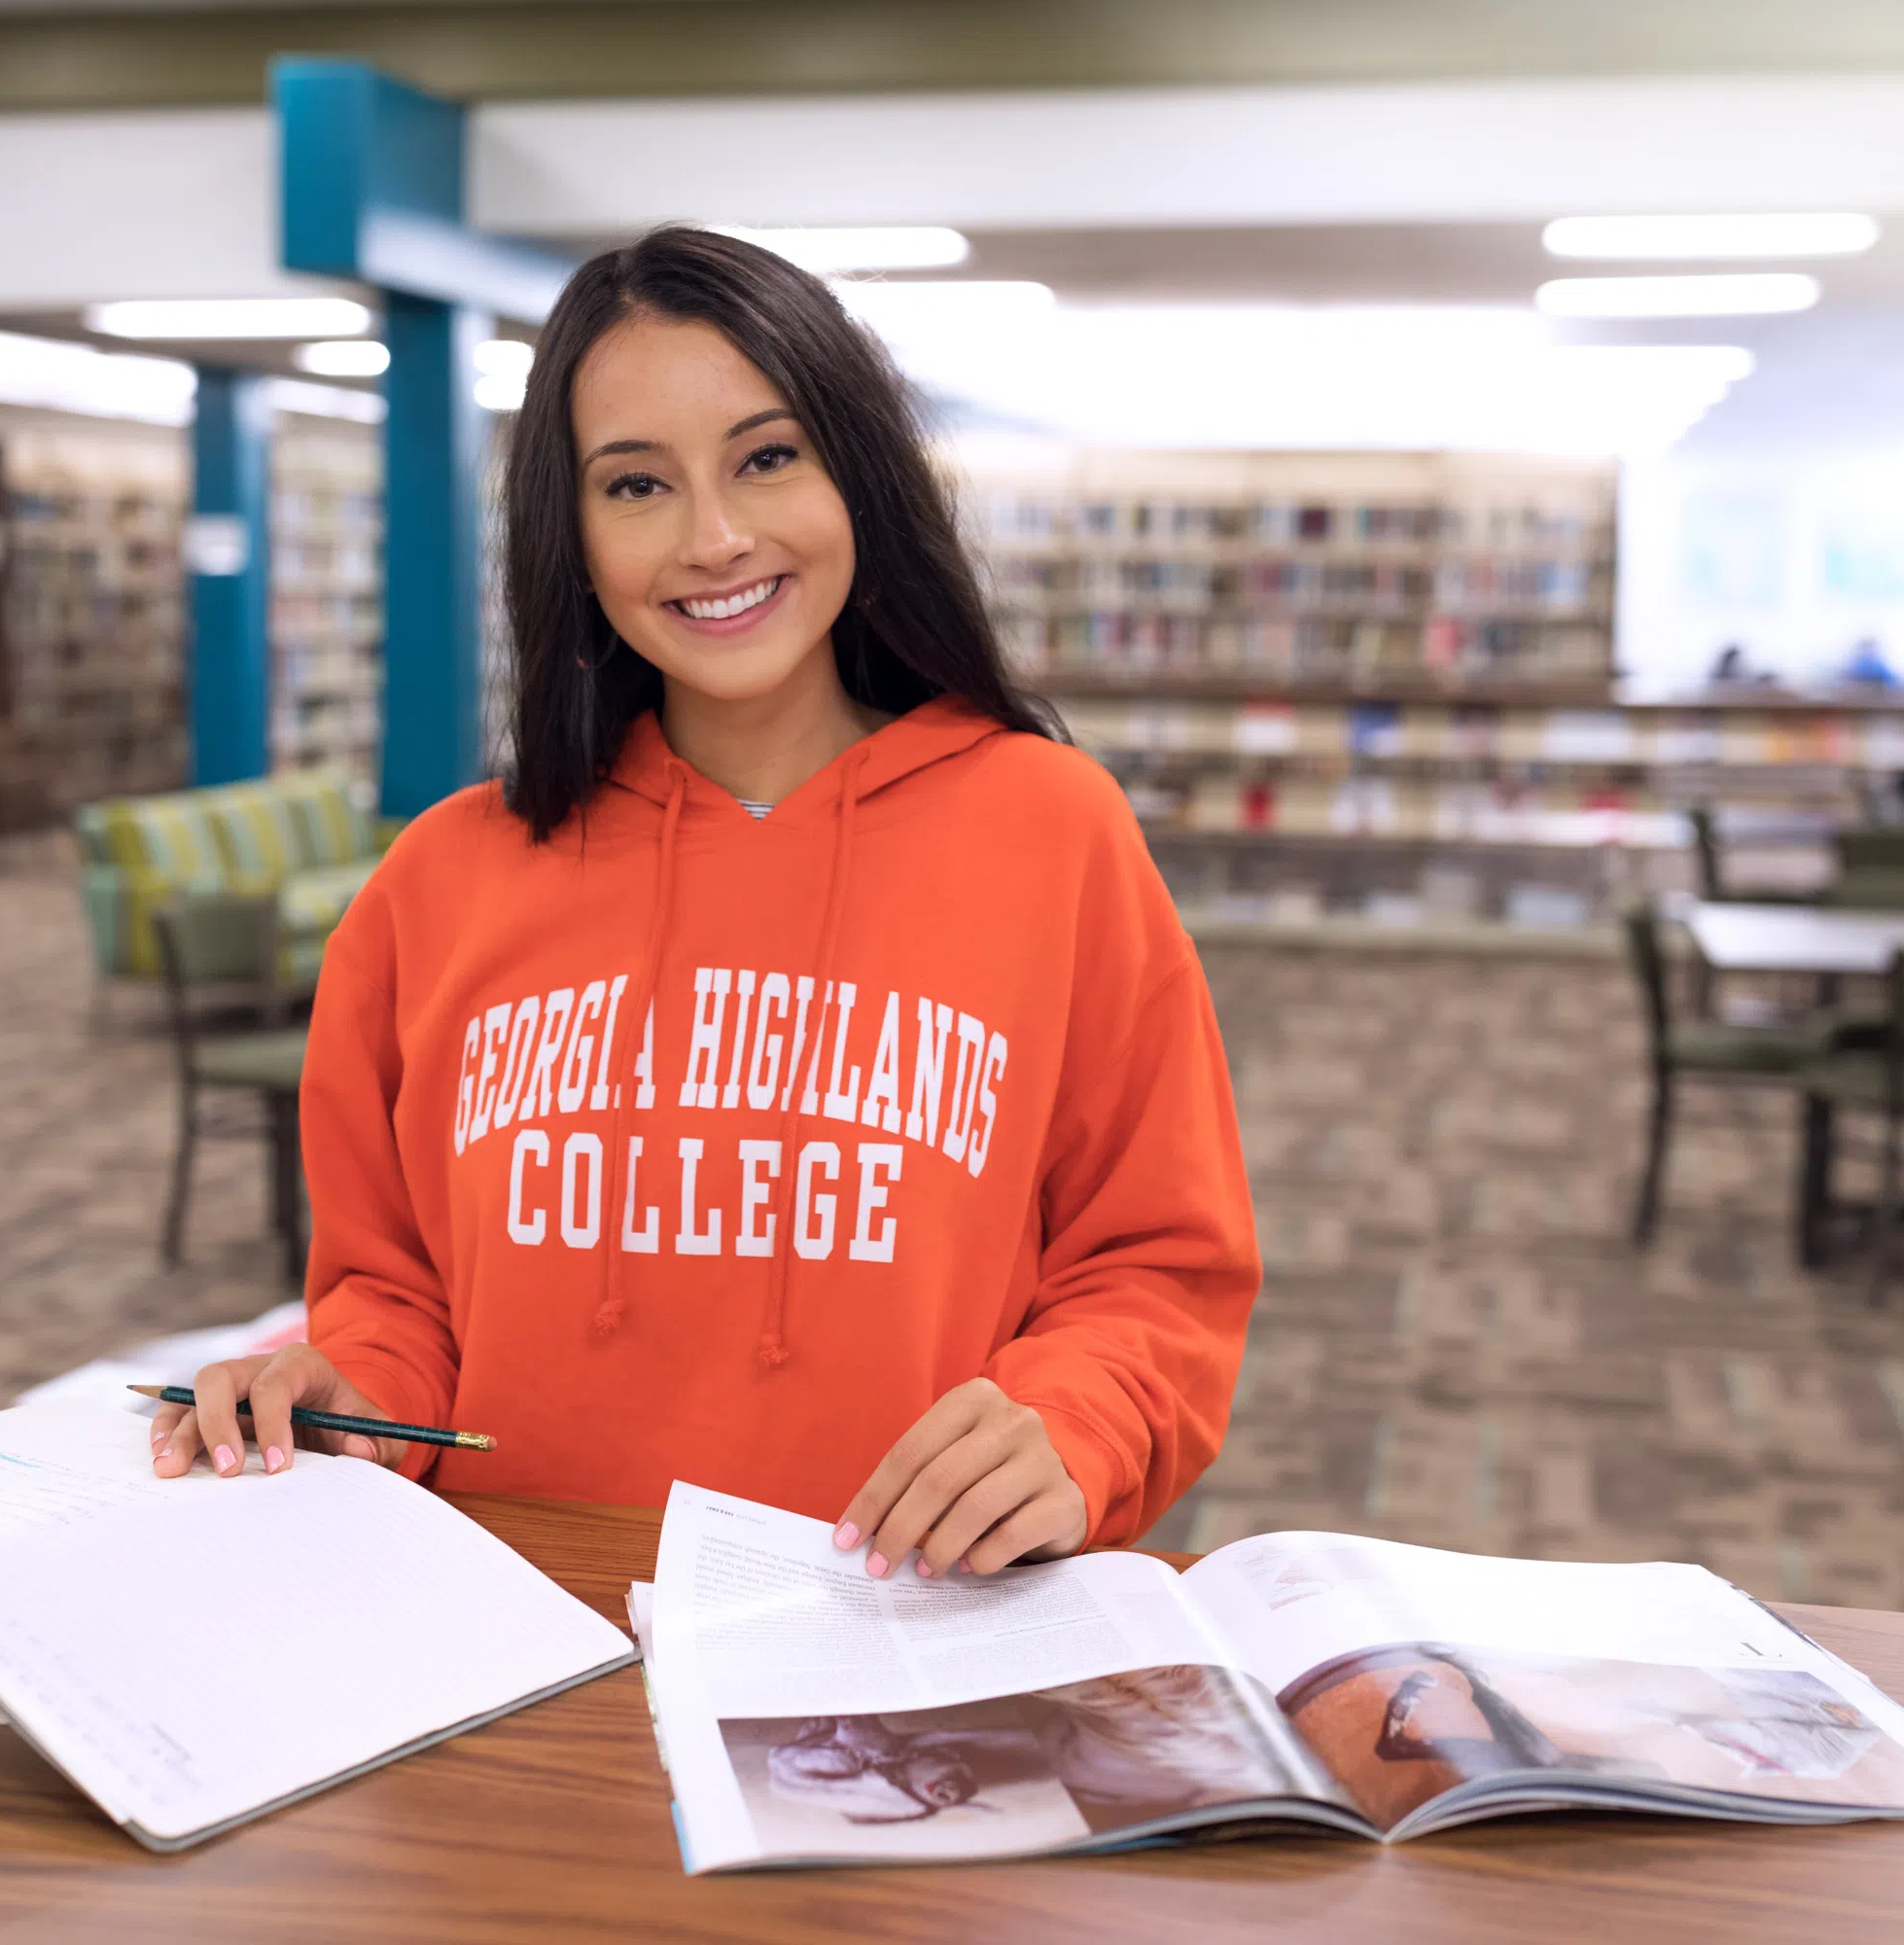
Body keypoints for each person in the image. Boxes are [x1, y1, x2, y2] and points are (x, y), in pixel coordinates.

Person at [147, 228, 1259, 1580]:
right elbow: (396, 1294)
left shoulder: (1050, 832)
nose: (714, 539)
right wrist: (351, 1399)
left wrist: (1074, 1422)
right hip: (506, 1643)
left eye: (767, 457)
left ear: (858, 473)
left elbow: (1154, 1270)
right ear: (573, 532)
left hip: (897, 1650)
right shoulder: (440, 883)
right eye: (636, 485)